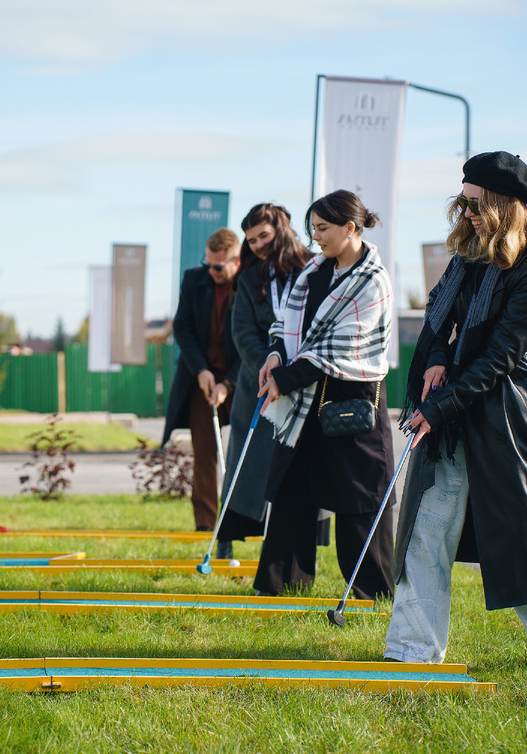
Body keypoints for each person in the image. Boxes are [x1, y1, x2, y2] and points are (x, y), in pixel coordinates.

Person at [384, 151, 527, 676]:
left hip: (504, 410)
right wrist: (435, 362)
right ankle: (412, 653)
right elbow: (438, 322)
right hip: (452, 403)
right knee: (426, 528)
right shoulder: (466, 260)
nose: (467, 214)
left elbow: (500, 358)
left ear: (503, 206)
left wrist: (439, 404)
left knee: (520, 539)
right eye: (463, 203)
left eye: (476, 205)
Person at [254, 190, 396, 599]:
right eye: (312, 228)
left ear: (350, 228)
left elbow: (341, 346)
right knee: (291, 488)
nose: (315, 237)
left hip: (352, 400)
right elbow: (285, 324)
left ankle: (371, 592)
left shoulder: (373, 281)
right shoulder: (313, 272)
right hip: (304, 400)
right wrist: (276, 354)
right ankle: (281, 586)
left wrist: (285, 377)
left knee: (360, 496)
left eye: (322, 228)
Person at [215, 203, 312, 560]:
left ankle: (295, 549)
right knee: (246, 459)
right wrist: (268, 367)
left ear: (281, 228)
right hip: (258, 381)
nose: (256, 245)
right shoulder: (248, 276)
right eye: (251, 239)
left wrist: (296, 370)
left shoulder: (313, 267)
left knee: (299, 464)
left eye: (263, 236)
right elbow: (242, 331)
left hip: (305, 379)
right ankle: (226, 540)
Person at [161, 227, 242, 532]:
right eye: (208, 264)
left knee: (245, 451)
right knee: (205, 454)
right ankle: (206, 528)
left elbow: (255, 339)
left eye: (218, 267)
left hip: (241, 380)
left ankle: (240, 524)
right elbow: (182, 327)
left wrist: (229, 382)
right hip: (201, 379)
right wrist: (202, 371)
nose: (211, 271)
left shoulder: (250, 283)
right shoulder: (194, 279)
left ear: (236, 261)